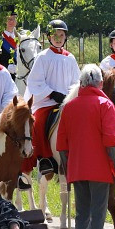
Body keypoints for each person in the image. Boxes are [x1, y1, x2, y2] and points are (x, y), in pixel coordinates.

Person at [57, 64, 115, 229]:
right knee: (97, 216)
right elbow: (111, 141)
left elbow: (62, 144)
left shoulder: (69, 106)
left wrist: (67, 168)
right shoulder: (105, 104)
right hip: (100, 169)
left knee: (81, 215)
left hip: (77, 168)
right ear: (100, 83)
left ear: (81, 83)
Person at [25, 19, 81, 176]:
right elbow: (35, 82)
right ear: (48, 37)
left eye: (61, 35)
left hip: (67, 102)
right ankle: (45, 159)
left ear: (66, 37)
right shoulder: (42, 57)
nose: (58, 38)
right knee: (40, 121)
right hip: (46, 101)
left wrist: (69, 96)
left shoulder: (70, 58)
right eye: (55, 35)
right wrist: (53, 93)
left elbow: (76, 81)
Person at [0, 8, 21, 78]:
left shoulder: (21, 38)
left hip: (19, 77)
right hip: (2, 76)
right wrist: (6, 66)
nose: (11, 21)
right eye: (8, 19)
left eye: (13, 19)